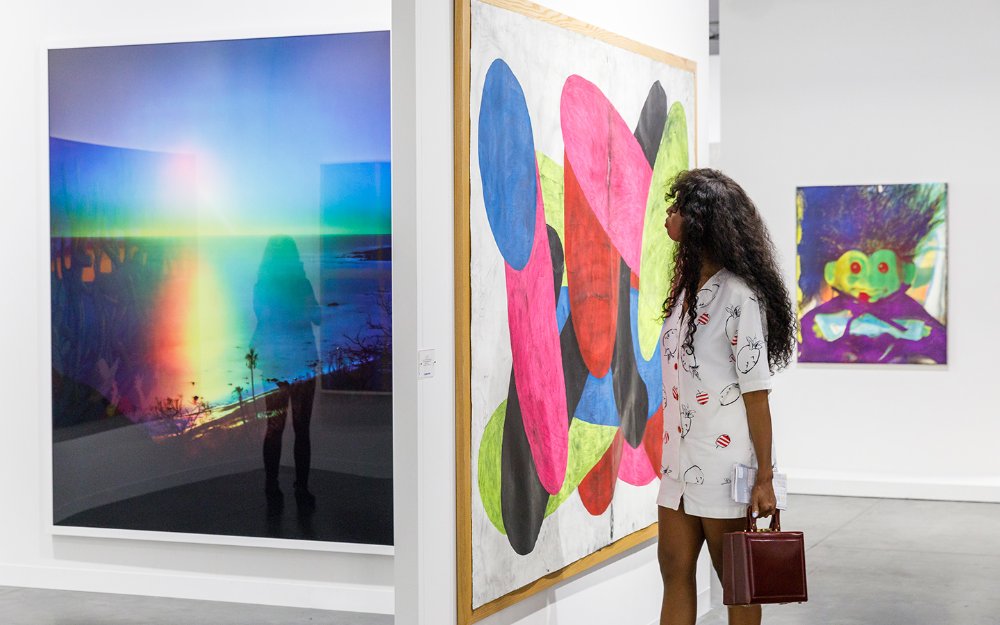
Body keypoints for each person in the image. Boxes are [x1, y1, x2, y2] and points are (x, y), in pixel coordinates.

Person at [656, 169, 796, 625]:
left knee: (736, 584)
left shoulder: (739, 297)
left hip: (723, 470)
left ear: (701, 222)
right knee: (674, 573)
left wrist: (765, 477)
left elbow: (758, 397)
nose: (669, 215)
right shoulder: (684, 295)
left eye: (677, 207)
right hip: (677, 467)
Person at [250, 235, 322, 514]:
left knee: (275, 427)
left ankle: (272, 484)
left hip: (276, 362)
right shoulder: (301, 284)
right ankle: (300, 487)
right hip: (300, 359)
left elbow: (264, 319)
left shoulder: (262, 286)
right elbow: (317, 317)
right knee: (300, 429)